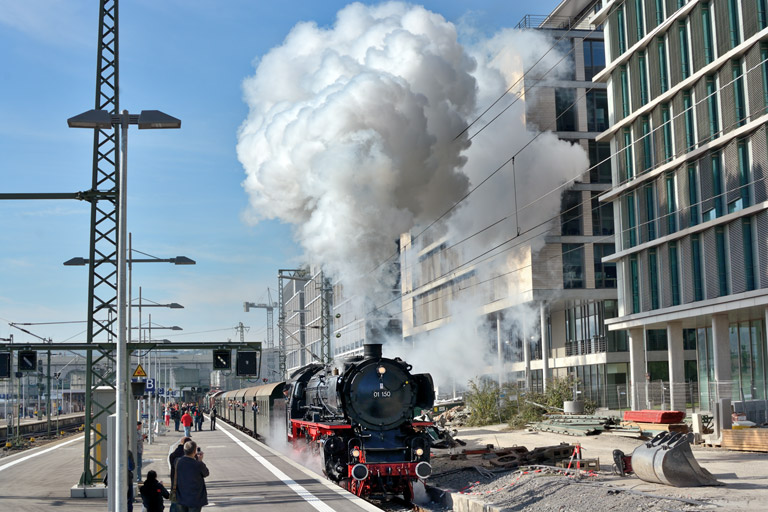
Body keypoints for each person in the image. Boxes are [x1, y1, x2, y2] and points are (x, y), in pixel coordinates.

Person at [174, 440, 209, 512]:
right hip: (195, 498)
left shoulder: (177, 461)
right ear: (194, 451)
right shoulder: (198, 464)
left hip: (181, 496)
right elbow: (206, 473)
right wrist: (200, 460)